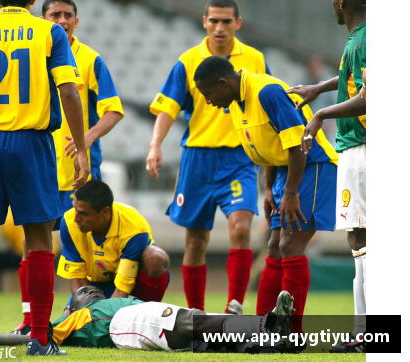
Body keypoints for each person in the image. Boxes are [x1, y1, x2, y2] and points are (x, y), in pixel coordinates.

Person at [0, 0, 90, 355]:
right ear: (32, 2)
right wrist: (83, 151)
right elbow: (69, 90)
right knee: (40, 237)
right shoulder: (49, 32)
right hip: (31, 141)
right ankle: (40, 340)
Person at [194, 56, 338, 342]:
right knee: (274, 247)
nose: (209, 102)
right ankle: (262, 329)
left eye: (208, 95)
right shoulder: (237, 103)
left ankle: (291, 334)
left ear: (223, 83)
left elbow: (298, 143)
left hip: (313, 165)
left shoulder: (266, 92)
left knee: (290, 244)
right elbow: (269, 146)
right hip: (286, 172)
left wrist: (291, 193)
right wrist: (269, 189)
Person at [146, 0, 271, 314]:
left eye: (227, 21)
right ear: (204, 21)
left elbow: (268, 99)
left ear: (237, 24)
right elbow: (168, 107)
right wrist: (155, 144)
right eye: (214, 20)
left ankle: (235, 306)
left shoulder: (255, 59)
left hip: (240, 158)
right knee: (196, 241)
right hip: (197, 160)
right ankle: (197, 314)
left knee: (241, 230)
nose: (220, 28)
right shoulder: (187, 61)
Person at [9, 0, 125, 336]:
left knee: (91, 247)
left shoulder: (91, 59)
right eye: (54, 15)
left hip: (81, 171)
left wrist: (84, 140)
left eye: (67, 15)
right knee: (33, 246)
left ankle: (93, 316)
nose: (61, 20)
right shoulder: (30, 56)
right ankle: (30, 319)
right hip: (40, 165)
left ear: (77, 20)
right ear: (43, 19)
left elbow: (113, 111)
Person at [286, 0, 366, 353]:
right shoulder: (360, 39)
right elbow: (351, 76)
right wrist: (320, 88)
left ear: (342, 3)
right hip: (358, 147)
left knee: (362, 240)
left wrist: (321, 114)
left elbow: (370, 96)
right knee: (360, 240)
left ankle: (366, 333)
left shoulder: (364, 40)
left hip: (362, 146)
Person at [0, 286, 296, 353]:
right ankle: (267, 324)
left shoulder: (111, 302)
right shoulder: (81, 317)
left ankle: (269, 342)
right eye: (82, 292)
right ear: (70, 309)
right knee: (198, 321)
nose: (88, 290)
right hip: (128, 324)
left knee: (206, 334)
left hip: (141, 319)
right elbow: (37, 339)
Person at [57, 180, 170, 310]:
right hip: (95, 285)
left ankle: (146, 315)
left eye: (83, 213)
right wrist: (84, 311)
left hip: (134, 283)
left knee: (155, 257)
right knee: (67, 321)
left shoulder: (133, 228)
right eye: (75, 209)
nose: (76, 218)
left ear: (105, 212)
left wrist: (102, 317)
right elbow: (78, 280)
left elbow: (122, 290)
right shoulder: (69, 222)